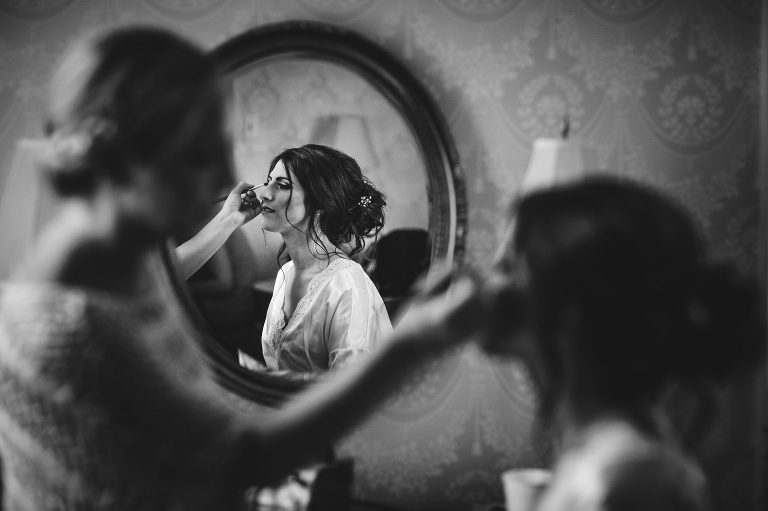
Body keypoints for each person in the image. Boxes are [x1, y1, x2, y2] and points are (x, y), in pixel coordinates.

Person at [0, 26, 488, 511]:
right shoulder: (78, 324)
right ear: (118, 151)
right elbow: (239, 459)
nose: (228, 180)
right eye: (202, 155)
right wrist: (413, 341)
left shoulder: (131, 269)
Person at [484, 177, 764, 511]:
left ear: (572, 312)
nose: (487, 281)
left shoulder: (626, 481)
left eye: (507, 267)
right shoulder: (602, 454)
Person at [177, 144, 392, 372]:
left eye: (283, 186)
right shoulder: (285, 273)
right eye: (268, 181)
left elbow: (353, 392)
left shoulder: (347, 286)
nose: (265, 194)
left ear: (321, 203)